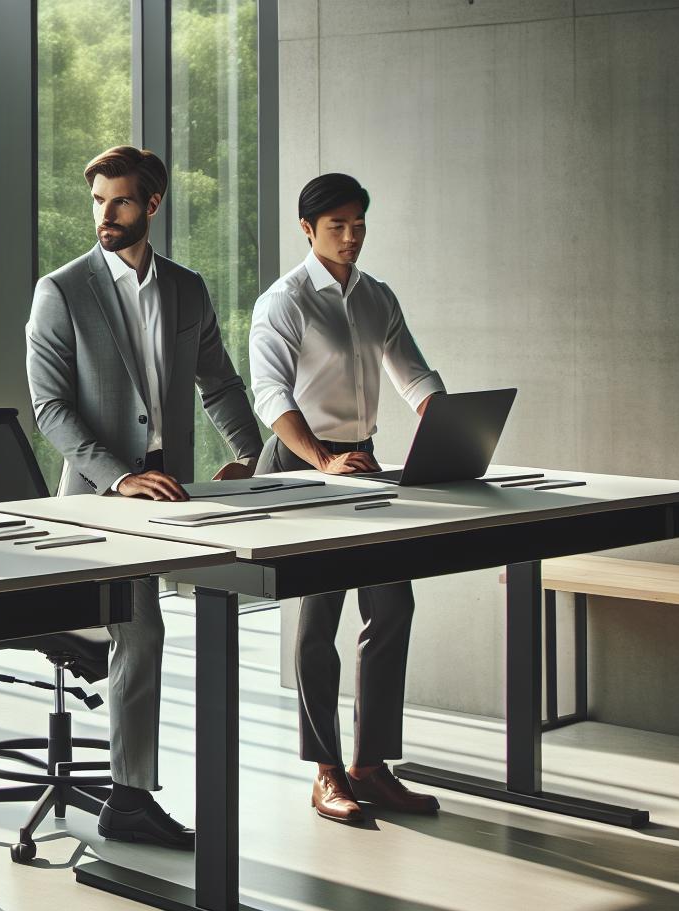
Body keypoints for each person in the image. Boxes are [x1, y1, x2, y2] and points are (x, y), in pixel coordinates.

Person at [26, 145, 263, 849]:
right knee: (144, 628)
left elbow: (217, 382)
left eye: (121, 201)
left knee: (196, 610)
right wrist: (117, 475)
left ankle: (133, 793)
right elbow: (50, 409)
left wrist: (249, 453)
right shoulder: (62, 290)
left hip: (174, 490)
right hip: (101, 500)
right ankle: (128, 799)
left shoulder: (186, 289)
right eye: (98, 201)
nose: (107, 214)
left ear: (152, 205)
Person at [247, 172, 444, 824]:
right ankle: (326, 771)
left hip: (361, 461)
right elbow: (272, 398)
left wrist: (449, 428)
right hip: (301, 461)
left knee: (391, 604)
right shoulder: (284, 302)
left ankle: (371, 766)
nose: (352, 235)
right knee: (318, 622)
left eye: (359, 223)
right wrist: (324, 460)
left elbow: (413, 374)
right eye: (338, 225)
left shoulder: (376, 297)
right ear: (308, 229)